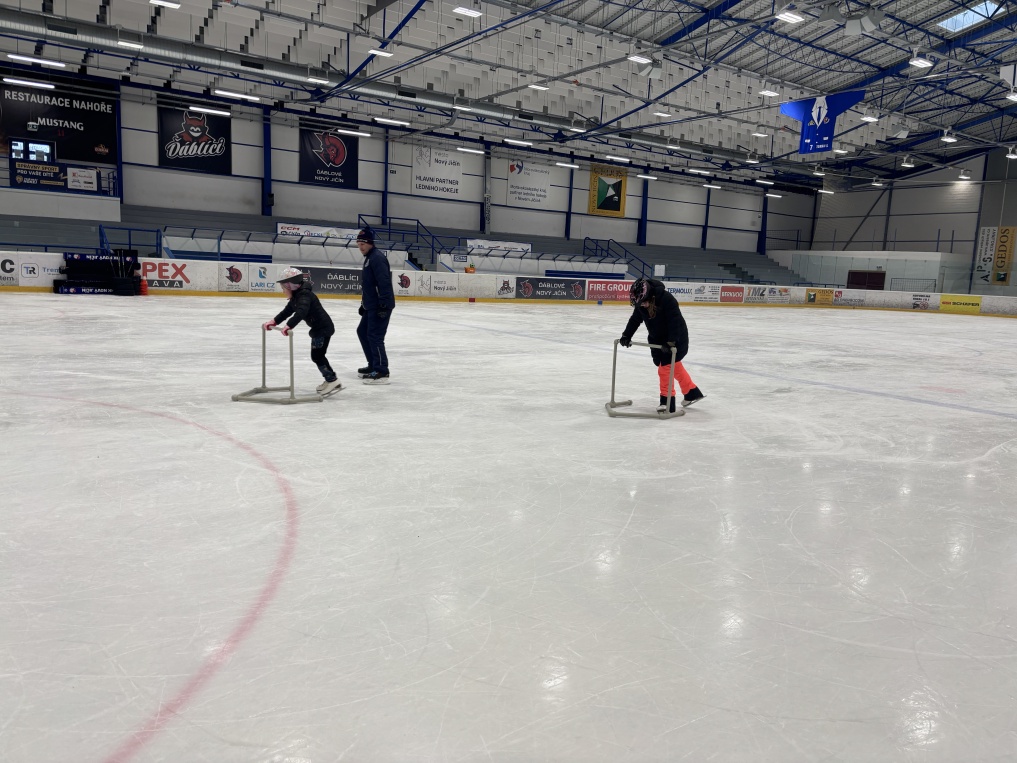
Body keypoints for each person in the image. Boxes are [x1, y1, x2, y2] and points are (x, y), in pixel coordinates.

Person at [620, 278, 705, 413]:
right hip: (657, 339)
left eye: (643, 302)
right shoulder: (641, 303)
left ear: (649, 296)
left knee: (665, 368)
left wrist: (671, 341)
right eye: (639, 303)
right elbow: (635, 319)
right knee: (673, 366)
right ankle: (691, 392)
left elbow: (674, 322)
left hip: (676, 338)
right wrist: (626, 335)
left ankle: (667, 402)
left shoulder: (666, 299)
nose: (642, 305)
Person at [262, 267, 341, 396]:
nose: (283, 291)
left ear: (291, 286)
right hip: (319, 328)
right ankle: (331, 379)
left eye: (283, 288)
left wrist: (289, 325)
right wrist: (274, 321)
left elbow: (301, 311)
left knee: (317, 356)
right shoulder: (297, 296)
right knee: (318, 355)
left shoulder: (304, 296)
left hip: (323, 329)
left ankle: (332, 380)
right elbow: (287, 311)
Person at [355, 228, 395, 385]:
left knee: (375, 336)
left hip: (380, 305)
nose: (360, 247)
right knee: (362, 331)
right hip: (371, 305)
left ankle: (381, 371)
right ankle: (373, 364)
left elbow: (383, 282)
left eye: (363, 244)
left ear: (370, 242)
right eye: (358, 244)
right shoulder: (369, 258)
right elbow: (369, 285)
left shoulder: (377, 258)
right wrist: (363, 304)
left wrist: (383, 305)